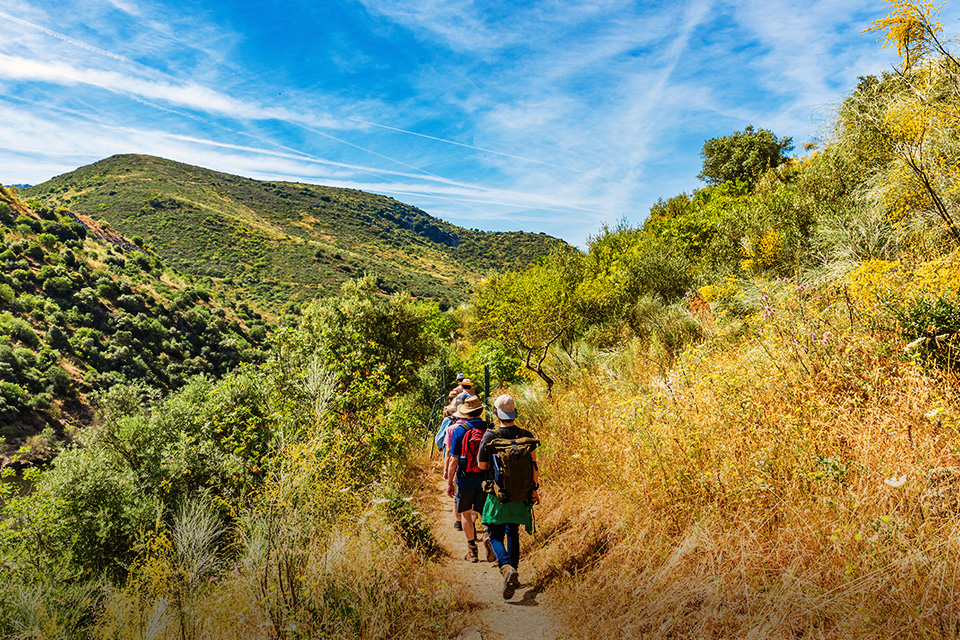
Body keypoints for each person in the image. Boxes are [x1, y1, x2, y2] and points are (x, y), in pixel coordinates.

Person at [478, 394, 539, 599]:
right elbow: (534, 466)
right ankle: (514, 572)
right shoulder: (526, 435)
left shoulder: (490, 436)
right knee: (513, 532)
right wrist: (534, 489)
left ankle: (505, 568)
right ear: (514, 413)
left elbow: (481, 465)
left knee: (494, 534)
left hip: (498, 495)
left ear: (496, 413)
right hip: (521, 494)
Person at [445, 394, 489, 561]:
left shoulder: (459, 431)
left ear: (466, 413)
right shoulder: (489, 429)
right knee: (486, 512)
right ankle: (487, 536)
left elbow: (454, 459)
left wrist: (450, 483)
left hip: (465, 478)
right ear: (479, 411)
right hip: (486, 478)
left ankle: (472, 551)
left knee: (465, 513)